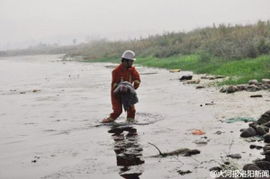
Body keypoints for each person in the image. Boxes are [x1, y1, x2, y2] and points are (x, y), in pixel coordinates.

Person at [102, 50, 141, 123]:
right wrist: (119, 87)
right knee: (117, 111)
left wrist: (136, 83)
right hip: (116, 94)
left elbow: (137, 79)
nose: (132, 63)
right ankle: (105, 122)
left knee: (132, 111)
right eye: (131, 61)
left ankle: (130, 124)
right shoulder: (115, 71)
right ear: (125, 61)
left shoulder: (132, 70)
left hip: (128, 93)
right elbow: (114, 85)